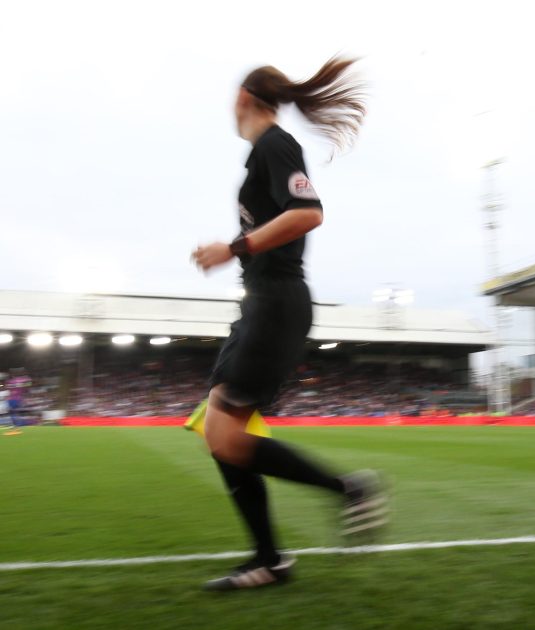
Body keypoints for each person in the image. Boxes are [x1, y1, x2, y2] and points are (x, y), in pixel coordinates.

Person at [190, 56, 386, 591]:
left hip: (277, 302)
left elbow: (309, 212)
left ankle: (347, 489)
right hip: (258, 303)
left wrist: (233, 248)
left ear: (246, 98)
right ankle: (269, 560)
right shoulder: (261, 155)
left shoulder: (276, 144)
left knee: (227, 435)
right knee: (217, 431)